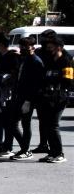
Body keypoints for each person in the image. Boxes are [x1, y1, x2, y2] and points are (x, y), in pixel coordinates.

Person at [33, 30, 69, 163]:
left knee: (53, 125)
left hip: (59, 98)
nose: (48, 49)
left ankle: (59, 153)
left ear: (58, 47)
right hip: (47, 98)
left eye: (50, 48)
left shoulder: (65, 61)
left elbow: (68, 81)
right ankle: (52, 152)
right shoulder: (50, 61)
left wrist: (55, 83)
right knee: (47, 125)